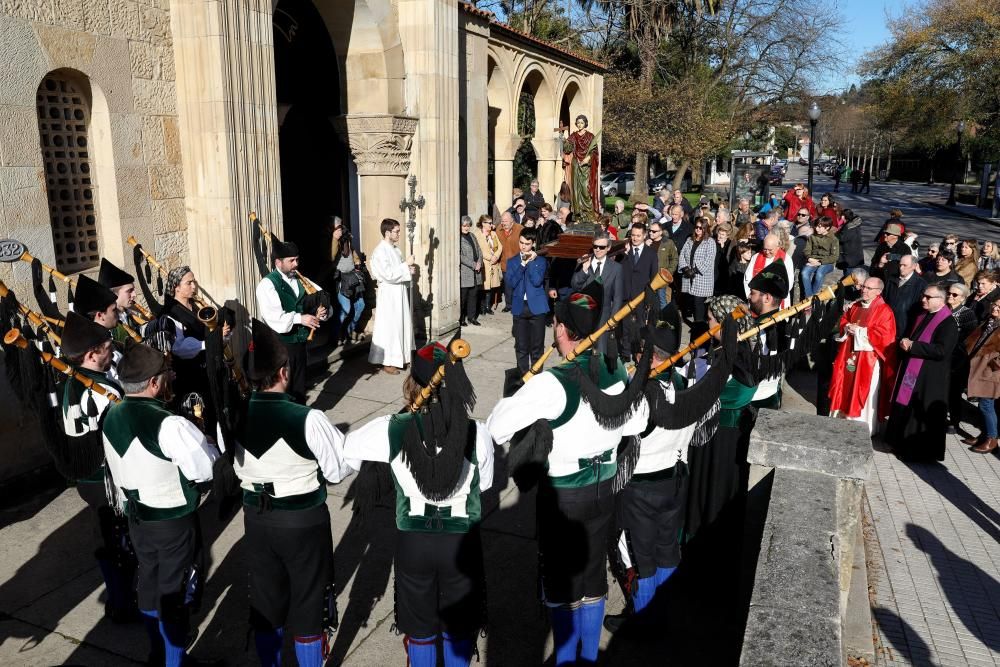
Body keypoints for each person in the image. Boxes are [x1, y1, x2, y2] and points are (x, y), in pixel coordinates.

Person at [487, 284, 648, 667]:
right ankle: (587, 658)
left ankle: (564, 660)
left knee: (561, 585)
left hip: (565, 495)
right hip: (605, 487)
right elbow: (637, 421)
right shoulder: (613, 370)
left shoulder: (551, 383)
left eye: (556, 324)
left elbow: (496, 428)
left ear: (561, 330)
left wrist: (524, 392)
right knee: (593, 579)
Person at [346, 342, 493, 667]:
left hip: (414, 542)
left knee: (421, 631)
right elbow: (487, 483)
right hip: (460, 543)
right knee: (457, 629)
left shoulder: (393, 428)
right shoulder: (476, 433)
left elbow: (349, 452)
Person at [226, 320, 352, 667]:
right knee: (310, 601)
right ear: (283, 371)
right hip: (302, 521)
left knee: (267, 601)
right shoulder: (307, 418)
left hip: (257, 519)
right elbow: (337, 470)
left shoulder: (234, 416)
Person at [102, 343, 220, 667]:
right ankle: (173, 663)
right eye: (167, 374)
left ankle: (158, 653)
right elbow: (204, 470)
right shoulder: (169, 423)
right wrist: (206, 443)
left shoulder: (110, 415)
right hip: (172, 522)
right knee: (176, 595)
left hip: (136, 518)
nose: (170, 378)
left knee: (150, 585)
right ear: (154, 383)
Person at [58, 311, 137, 622]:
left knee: (106, 538)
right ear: (91, 354)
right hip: (108, 478)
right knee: (123, 543)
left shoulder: (71, 383)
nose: (112, 352)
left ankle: (118, 600)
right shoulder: (105, 390)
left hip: (86, 476)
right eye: (107, 348)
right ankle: (124, 602)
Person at [885, 283, 959, 462]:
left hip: (929, 377)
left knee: (919, 414)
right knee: (904, 406)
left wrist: (913, 346)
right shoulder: (923, 314)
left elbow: (941, 351)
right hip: (914, 371)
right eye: (923, 296)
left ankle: (916, 452)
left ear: (941, 300)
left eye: (928, 297)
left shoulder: (948, 323)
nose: (923, 299)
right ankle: (898, 441)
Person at [256, 241, 329, 398]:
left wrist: (321, 312)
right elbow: (274, 317)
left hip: (300, 344)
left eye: (297, 259)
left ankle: (299, 418)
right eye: (291, 260)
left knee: (299, 386)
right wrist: (300, 319)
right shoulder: (267, 284)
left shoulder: (300, 279)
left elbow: (319, 298)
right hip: (280, 345)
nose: (296, 264)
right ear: (278, 262)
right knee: (283, 389)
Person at [828, 277, 896, 433]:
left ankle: (861, 428)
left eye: (868, 288)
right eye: (863, 287)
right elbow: (844, 321)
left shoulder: (884, 310)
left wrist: (859, 331)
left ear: (878, 292)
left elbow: (886, 336)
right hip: (849, 354)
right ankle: (841, 420)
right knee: (844, 385)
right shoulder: (856, 305)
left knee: (862, 389)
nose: (863, 290)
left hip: (868, 359)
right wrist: (847, 327)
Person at [368, 218, 417, 375]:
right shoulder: (379, 251)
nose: (399, 234)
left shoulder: (396, 250)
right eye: (396, 231)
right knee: (390, 327)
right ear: (387, 232)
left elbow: (400, 270)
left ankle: (401, 356)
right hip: (389, 294)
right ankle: (388, 361)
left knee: (401, 323)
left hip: (399, 292)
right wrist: (405, 267)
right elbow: (388, 274)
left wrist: (409, 270)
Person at [746, 260, 792, 408]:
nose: (749, 297)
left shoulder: (766, 330)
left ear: (767, 298)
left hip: (754, 400)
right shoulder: (782, 325)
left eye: (753, 293)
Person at [570, 230, 623, 354]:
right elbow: (574, 286)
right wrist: (584, 271)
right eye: (595, 246)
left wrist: (613, 319)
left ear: (608, 248)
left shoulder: (616, 268)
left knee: (600, 352)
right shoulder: (584, 262)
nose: (598, 250)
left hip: (603, 317)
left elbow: (617, 297)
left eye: (602, 247)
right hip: (583, 314)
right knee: (582, 352)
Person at [507, 228, 548, 374]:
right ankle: (523, 377)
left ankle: (536, 378)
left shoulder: (541, 261)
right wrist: (522, 265)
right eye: (521, 242)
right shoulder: (512, 262)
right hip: (520, 308)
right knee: (521, 346)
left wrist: (530, 262)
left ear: (534, 244)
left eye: (527, 244)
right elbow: (511, 283)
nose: (523, 246)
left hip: (537, 308)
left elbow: (537, 281)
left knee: (537, 347)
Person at [961, 300, 1000, 453]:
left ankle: (992, 439)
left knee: (986, 405)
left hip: (991, 372)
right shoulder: (990, 321)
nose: (995, 308)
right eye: (994, 304)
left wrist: (994, 365)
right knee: (983, 405)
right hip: (981, 368)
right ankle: (985, 435)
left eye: (999, 306)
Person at [621, 222, 659, 360]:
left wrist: (649, 296)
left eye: (638, 235)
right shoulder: (625, 252)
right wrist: (625, 254)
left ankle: (637, 351)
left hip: (642, 296)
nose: (635, 238)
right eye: (633, 235)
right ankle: (625, 352)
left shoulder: (651, 254)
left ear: (644, 236)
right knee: (625, 325)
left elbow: (654, 277)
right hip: (626, 295)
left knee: (640, 325)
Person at [947, 282, 978, 432]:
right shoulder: (943, 310)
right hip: (942, 356)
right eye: (949, 293)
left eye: (955, 295)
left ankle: (954, 421)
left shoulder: (967, 314)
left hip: (958, 359)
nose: (950, 296)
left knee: (954, 393)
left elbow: (970, 338)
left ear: (963, 298)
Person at [677, 218, 717, 329]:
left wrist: (694, 270)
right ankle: (695, 324)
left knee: (698, 303)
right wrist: (685, 268)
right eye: (697, 227)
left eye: (701, 228)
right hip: (688, 276)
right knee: (689, 301)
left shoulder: (710, 242)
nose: (698, 230)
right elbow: (682, 254)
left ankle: (700, 326)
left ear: (705, 229)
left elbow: (709, 260)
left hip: (701, 278)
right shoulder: (690, 239)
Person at [97, 258, 146, 341]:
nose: (134, 295)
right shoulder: (106, 325)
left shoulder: (128, 314)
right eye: (129, 291)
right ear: (114, 294)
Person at [882, 255, 927, 342]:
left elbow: (920, 310)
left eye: (905, 265)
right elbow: (884, 299)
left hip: (905, 329)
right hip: (887, 325)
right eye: (900, 265)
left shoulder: (920, 284)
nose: (901, 268)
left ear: (914, 266)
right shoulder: (891, 280)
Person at [333, 227, 366, 344]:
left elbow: (355, 256)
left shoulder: (348, 242)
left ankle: (350, 329)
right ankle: (338, 335)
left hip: (354, 278)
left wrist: (357, 263)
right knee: (345, 309)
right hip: (343, 280)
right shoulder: (336, 244)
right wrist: (334, 239)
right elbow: (331, 256)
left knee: (361, 305)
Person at [743, 234, 794, 309]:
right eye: (765, 249)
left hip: (777, 301)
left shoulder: (786, 259)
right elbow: (748, 278)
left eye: (770, 250)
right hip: (757, 301)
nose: (767, 252)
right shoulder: (756, 257)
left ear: (778, 247)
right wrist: (749, 295)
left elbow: (789, 281)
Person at [564, 114, 601, 216]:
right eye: (578, 123)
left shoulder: (590, 136)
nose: (580, 125)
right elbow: (567, 149)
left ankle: (588, 213)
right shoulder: (573, 136)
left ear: (585, 124)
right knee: (576, 189)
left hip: (586, 165)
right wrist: (565, 140)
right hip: (576, 164)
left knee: (585, 188)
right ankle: (578, 214)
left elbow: (594, 151)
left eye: (582, 123)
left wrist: (588, 158)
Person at [801, 217, 840, 298]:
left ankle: (812, 297)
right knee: (804, 272)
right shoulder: (812, 237)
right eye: (816, 226)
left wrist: (820, 262)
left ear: (827, 228)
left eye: (819, 226)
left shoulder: (833, 239)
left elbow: (834, 256)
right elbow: (807, 250)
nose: (816, 228)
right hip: (813, 260)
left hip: (827, 262)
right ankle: (809, 297)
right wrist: (809, 258)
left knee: (819, 273)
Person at [475, 215, 503, 315]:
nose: (491, 225)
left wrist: (495, 256)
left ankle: (488, 306)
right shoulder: (477, 235)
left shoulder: (493, 234)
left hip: (494, 263)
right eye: (489, 223)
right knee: (484, 286)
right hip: (485, 264)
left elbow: (500, 247)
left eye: (491, 223)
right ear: (483, 223)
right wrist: (490, 257)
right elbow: (479, 250)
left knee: (491, 286)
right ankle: (482, 307)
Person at [497, 211, 524, 312]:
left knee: (518, 285)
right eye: (502, 221)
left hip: (518, 263)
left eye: (505, 221)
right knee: (508, 286)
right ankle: (509, 305)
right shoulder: (498, 230)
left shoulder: (520, 229)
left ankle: (519, 304)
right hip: (505, 263)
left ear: (512, 221)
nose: (503, 223)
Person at [459, 215, 483, 327]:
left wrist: (479, 262)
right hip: (466, 272)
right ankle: (462, 318)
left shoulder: (472, 236)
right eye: (464, 225)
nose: (466, 228)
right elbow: (460, 256)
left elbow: (479, 250)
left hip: (476, 272)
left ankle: (472, 317)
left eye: (468, 225)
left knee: (474, 296)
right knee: (463, 298)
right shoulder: (458, 238)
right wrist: (474, 264)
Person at [648, 220, 678, 306]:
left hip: (661, 278)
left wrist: (668, 272)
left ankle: (663, 318)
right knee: (648, 299)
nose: (651, 233)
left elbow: (674, 259)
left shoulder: (668, 243)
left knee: (661, 299)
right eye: (649, 231)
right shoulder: (646, 242)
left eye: (654, 231)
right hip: (647, 277)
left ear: (660, 232)